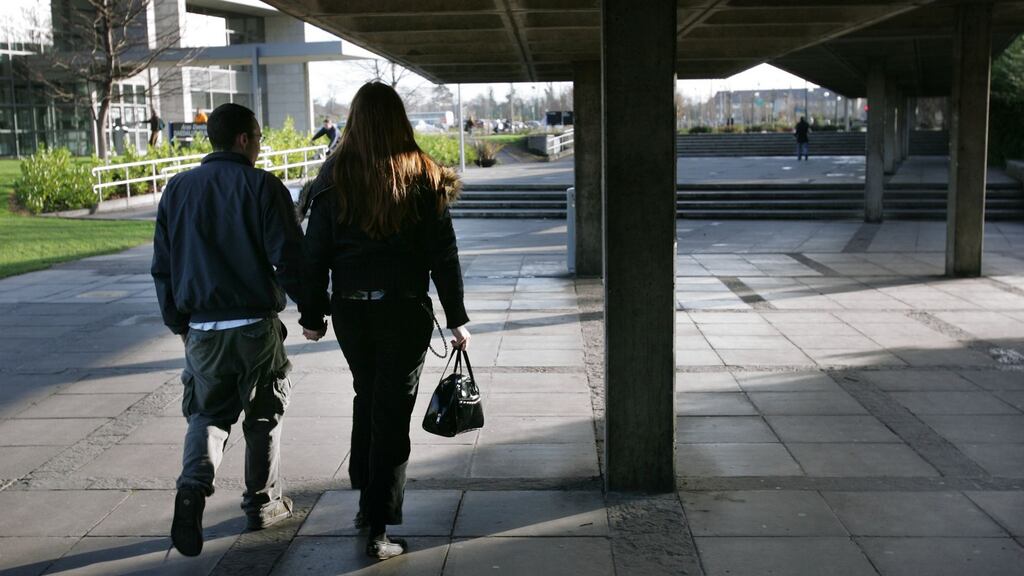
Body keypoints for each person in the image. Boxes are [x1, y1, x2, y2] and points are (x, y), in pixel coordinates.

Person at [299, 82, 471, 561]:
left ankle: (365, 497)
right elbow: (444, 256)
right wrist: (456, 317)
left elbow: (315, 256)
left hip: (353, 311)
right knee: (391, 412)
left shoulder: (333, 176)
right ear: (400, 120)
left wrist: (312, 315)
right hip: (405, 310)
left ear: (354, 120)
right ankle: (377, 526)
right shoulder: (424, 174)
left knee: (367, 394)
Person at [152, 103, 307, 557]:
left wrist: (178, 323)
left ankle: (193, 486)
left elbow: (163, 267)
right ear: (243, 139)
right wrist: (314, 312)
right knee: (264, 414)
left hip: (202, 329)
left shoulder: (177, 189)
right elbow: (289, 259)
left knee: (207, 415)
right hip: (256, 328)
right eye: (257, 137)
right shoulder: (262, 186)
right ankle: (263, 503)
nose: (259, 146)